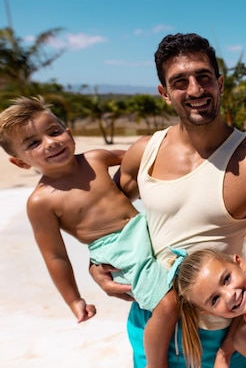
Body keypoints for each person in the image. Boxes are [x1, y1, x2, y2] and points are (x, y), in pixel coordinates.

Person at [89, 33, 246, 367]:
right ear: (164, 94)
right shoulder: (144, 152)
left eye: (203, 77)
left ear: (220, 83)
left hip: (221, 329)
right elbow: (103, 217)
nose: (195, 90)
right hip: (151, 321)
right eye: (180, 82)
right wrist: (96, 265)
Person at [0, 96, 178, 368]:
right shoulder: (42, 201)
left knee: (188, 277)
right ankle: (154, 362)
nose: (50, 142)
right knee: (166, 303)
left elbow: (142, 154)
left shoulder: (95, 159)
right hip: (117, 251)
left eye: (54, 131)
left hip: (145, 230)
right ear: (21, 163)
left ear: (69, 133)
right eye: (33, 143)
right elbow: (55, 256)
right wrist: (74, 300)